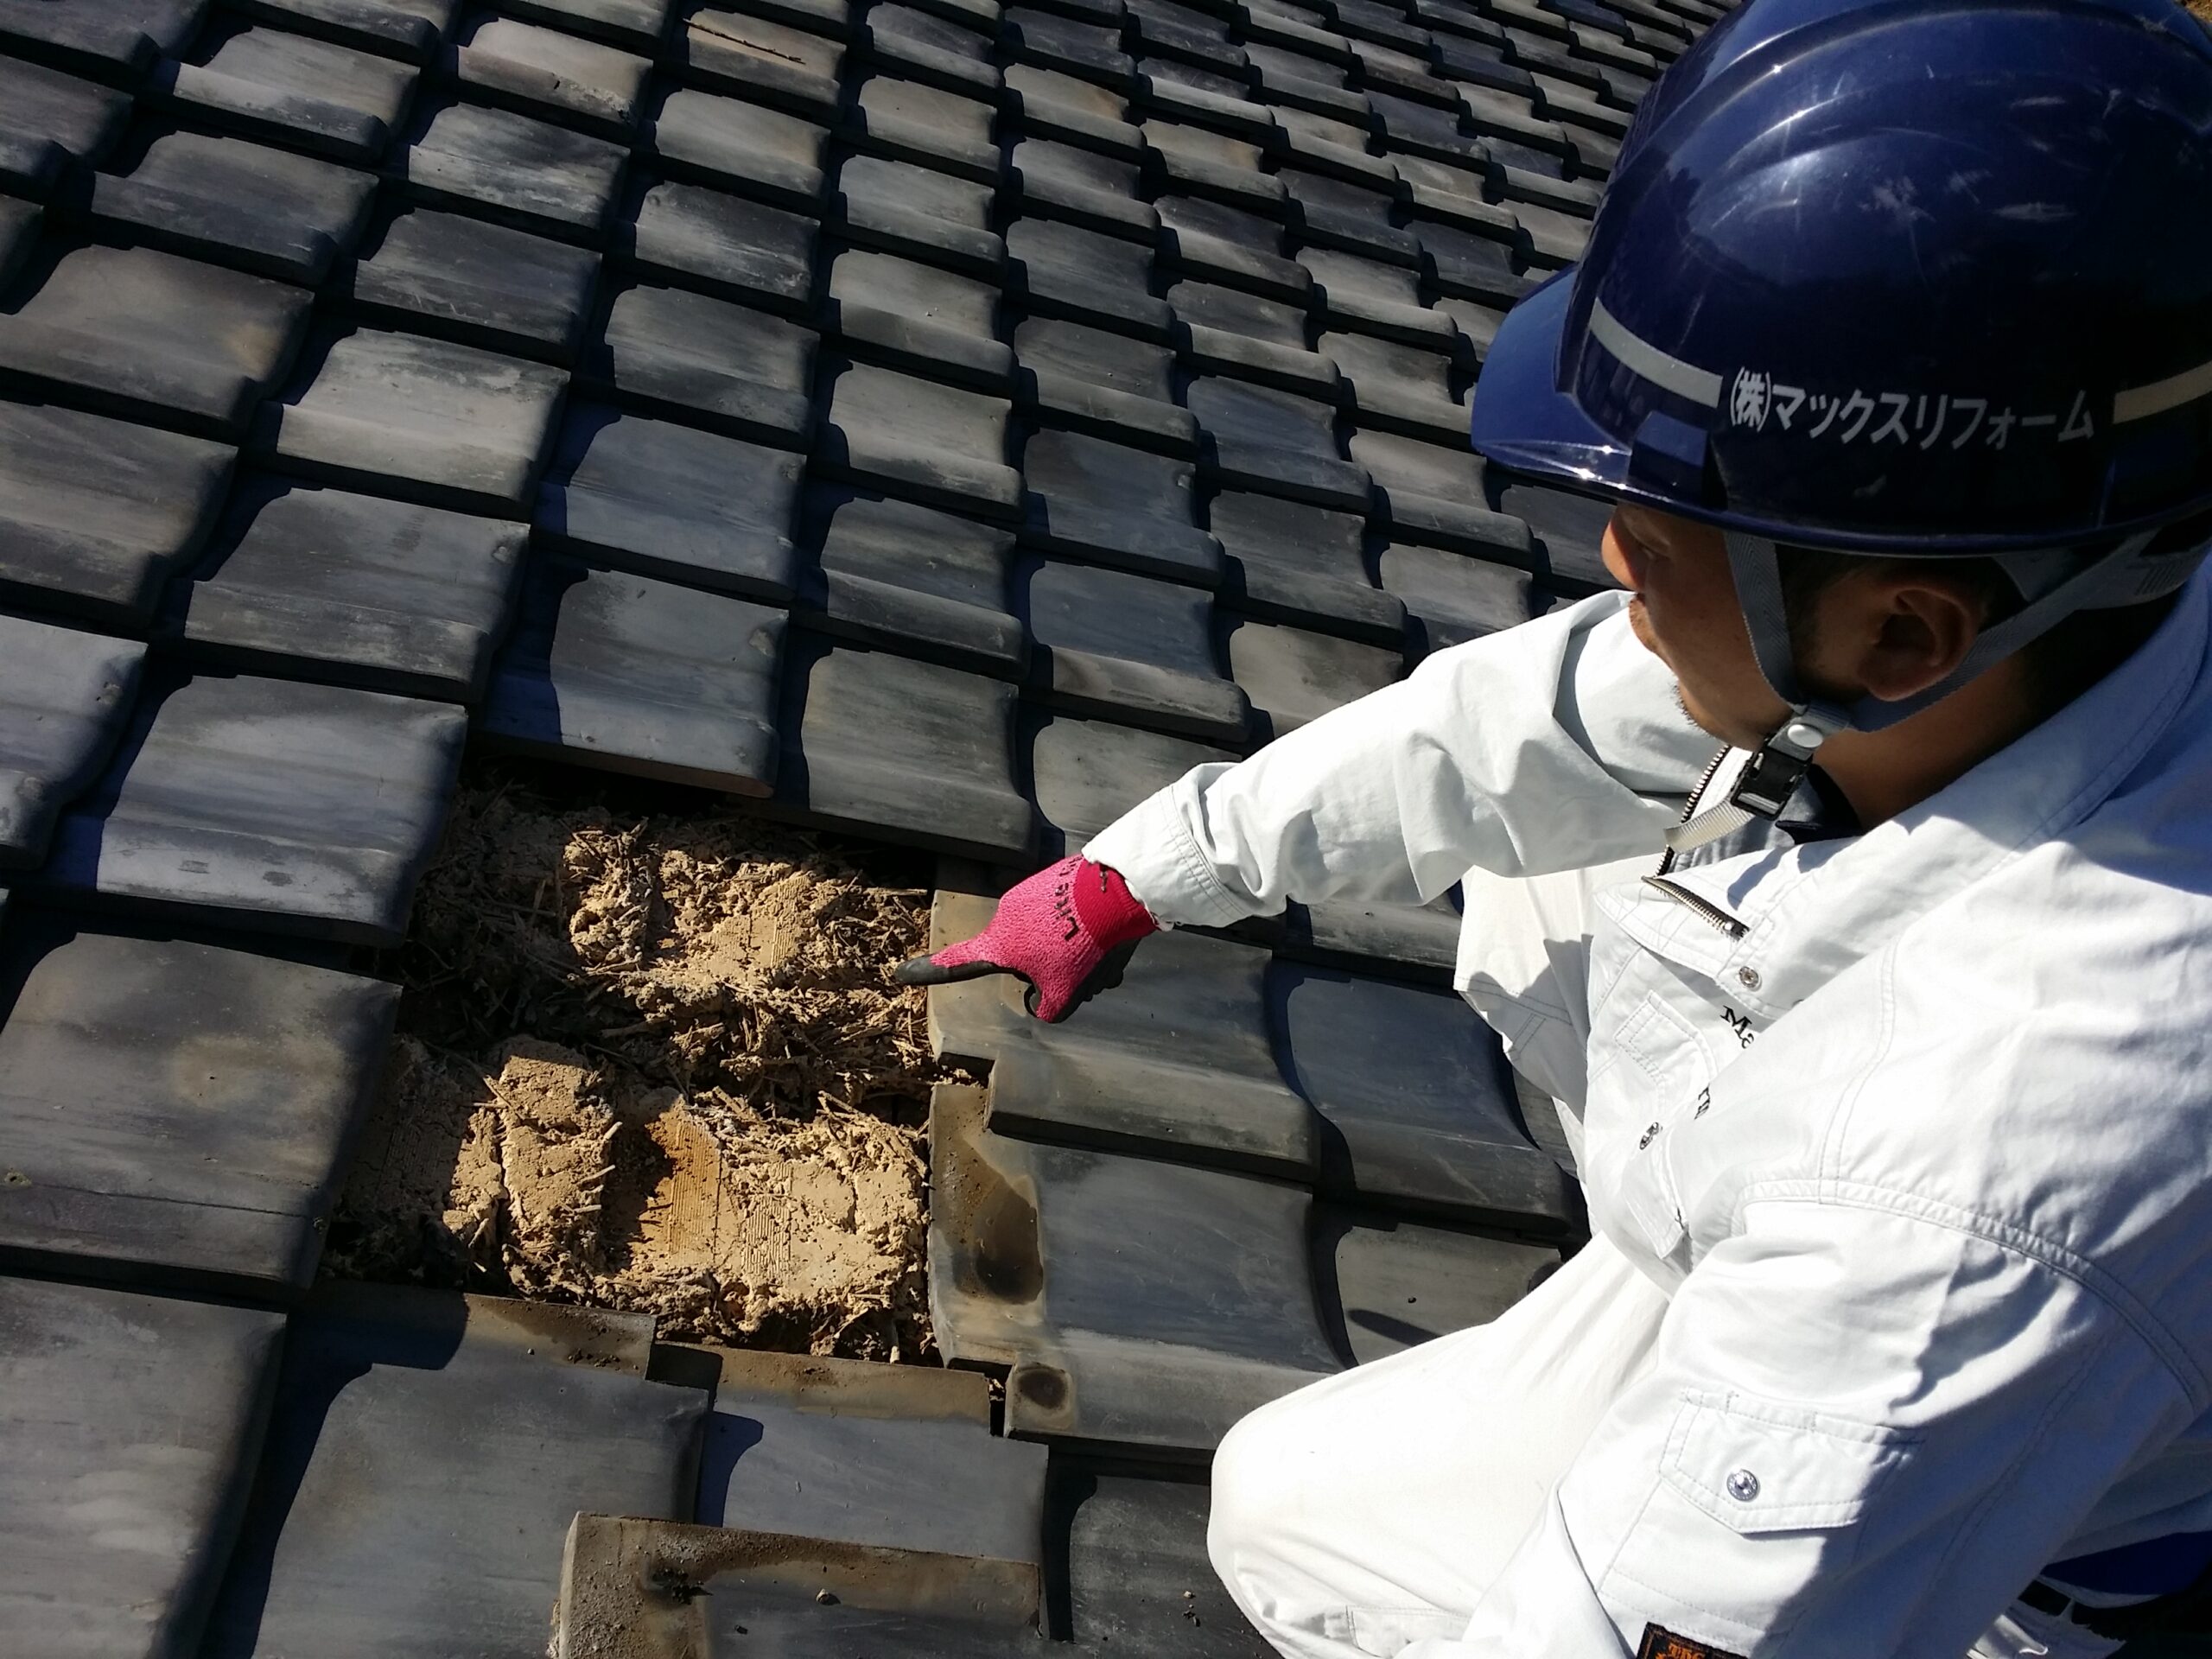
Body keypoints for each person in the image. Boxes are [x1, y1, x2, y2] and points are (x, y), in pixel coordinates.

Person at [899, 0, 2212, 1651]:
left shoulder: (1971, 1177)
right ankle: (1691, 1281)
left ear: (1904, 633)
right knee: (1539, 857)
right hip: (1819, 1213)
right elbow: (1528, 722)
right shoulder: (2046, 629)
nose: (1607, 561)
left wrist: (1760, 1371)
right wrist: (1140, 870)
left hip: (1987, 1556)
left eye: (1655, 536)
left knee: (1291, 1525)